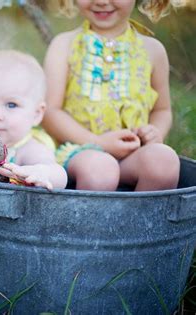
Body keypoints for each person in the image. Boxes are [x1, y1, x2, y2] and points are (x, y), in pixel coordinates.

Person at [41, 0, 180, 191]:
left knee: (164, 161)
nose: (102, 1)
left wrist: (154, 132)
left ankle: (139, 220)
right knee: (100, 170)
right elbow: (50, 112)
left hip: (133, 153)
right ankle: (91, 220)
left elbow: (162, 109)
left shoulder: (153, 50)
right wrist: (97, 142)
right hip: (81, 152)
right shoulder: (64, 45)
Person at [0, 50, 68, 189]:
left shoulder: (29, 149)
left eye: (11, 105)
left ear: (36, 114)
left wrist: (41, 172)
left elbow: (59, 174)